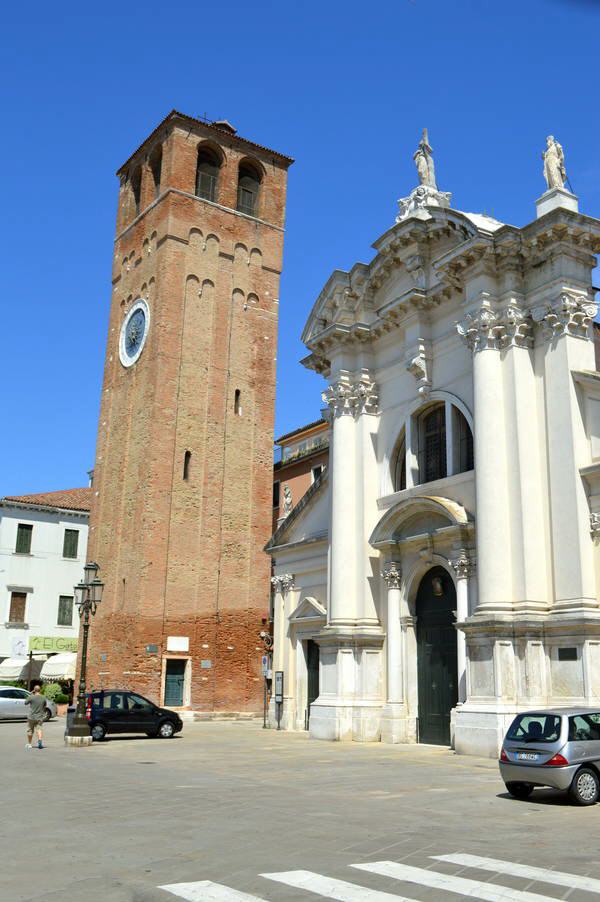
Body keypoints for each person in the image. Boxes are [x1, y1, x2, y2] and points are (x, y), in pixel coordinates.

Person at [25, 685, 46, 750]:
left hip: (31, 717)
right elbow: (45, 705)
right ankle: (39, 741)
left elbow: (25, 703)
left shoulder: (31, 697)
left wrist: (30, 694)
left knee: (30, 730)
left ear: (34, 690)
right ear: (40, 690)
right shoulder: (43, 698)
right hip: (39, 717)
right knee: (39, 729)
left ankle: (29, 744)